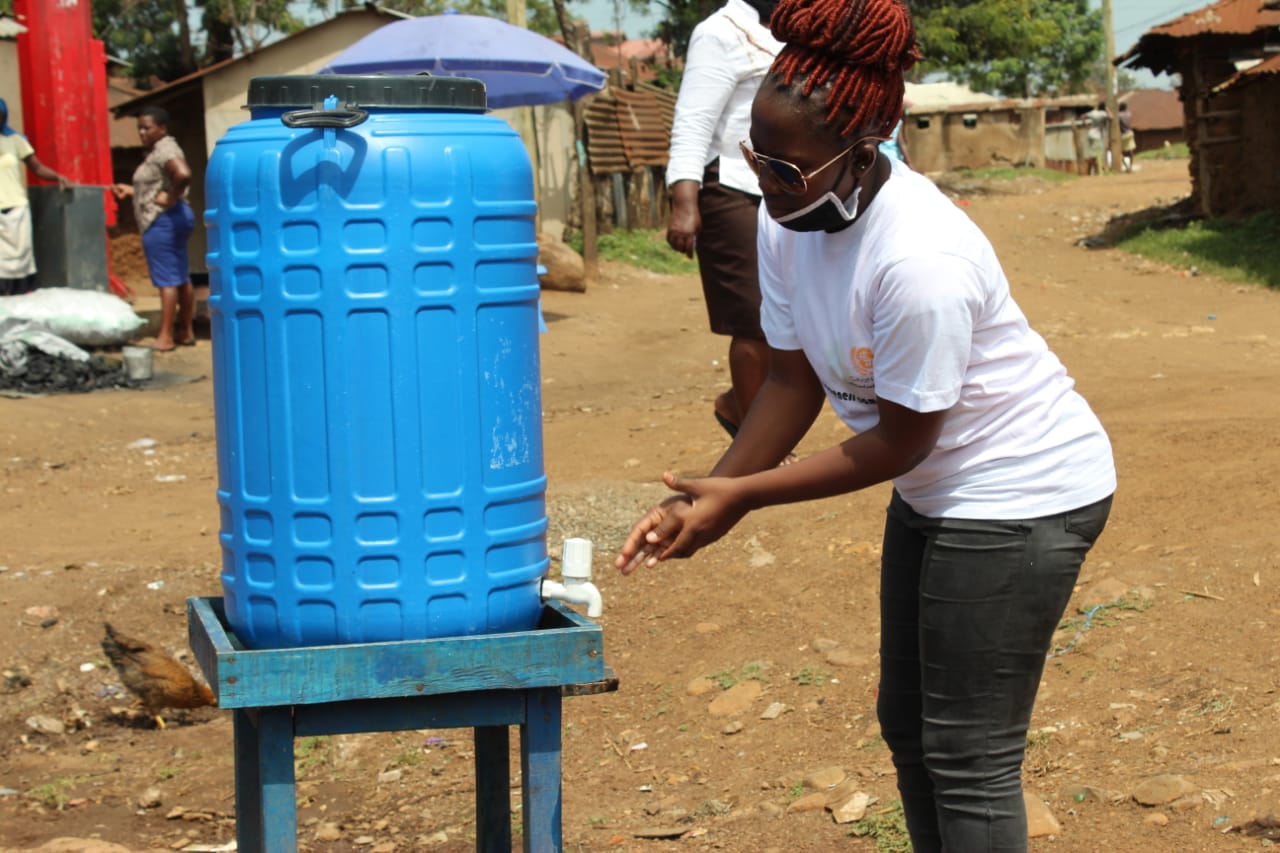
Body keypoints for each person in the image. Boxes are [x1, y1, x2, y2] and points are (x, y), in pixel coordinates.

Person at [616, 0, 1116, 850]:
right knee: (909, 728)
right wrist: (714, 487)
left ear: (867, 144)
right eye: (756, 160)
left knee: (968, 752)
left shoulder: (920, 259)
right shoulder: (790, 221)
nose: (765, 185)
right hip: (941, 489)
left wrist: (740, 498)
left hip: (1023, 490)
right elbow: (788, 379)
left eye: (787, 169)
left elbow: (899, 440)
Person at [665, 0, 782, 441]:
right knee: (753, 319)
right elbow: (693, 122)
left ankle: (737, 405)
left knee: (790, 316)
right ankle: (757, 440)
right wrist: (684, 202)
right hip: (730, 186)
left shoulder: (793, 29)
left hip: (782, 191)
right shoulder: (720, 32)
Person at [112, 106, 196, 351]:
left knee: (166, 280)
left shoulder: (165, 149)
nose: (142, 132)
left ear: (162, 128)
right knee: (180, 276)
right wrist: (132, 191)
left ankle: (165, 336)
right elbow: (159, 182)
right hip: (177, 216)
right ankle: (185, 331)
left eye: (147, 127)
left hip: (163, 220)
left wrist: (170, 197)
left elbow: (182, 174)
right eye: (139, 127)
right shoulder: (160, 150)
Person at [0, 97, 70, 296]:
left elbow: (36, 167)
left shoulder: (15, 141)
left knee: (19, 262)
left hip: (16, 209)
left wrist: (57, 176)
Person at [1118, 101, 1137, 173]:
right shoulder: (1129, 114)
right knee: (1131, 151)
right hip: (1130, 133)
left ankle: (1126, 166)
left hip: (1123, 135)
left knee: (1120, 152)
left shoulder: (1119, 115)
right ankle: (1130, 166)